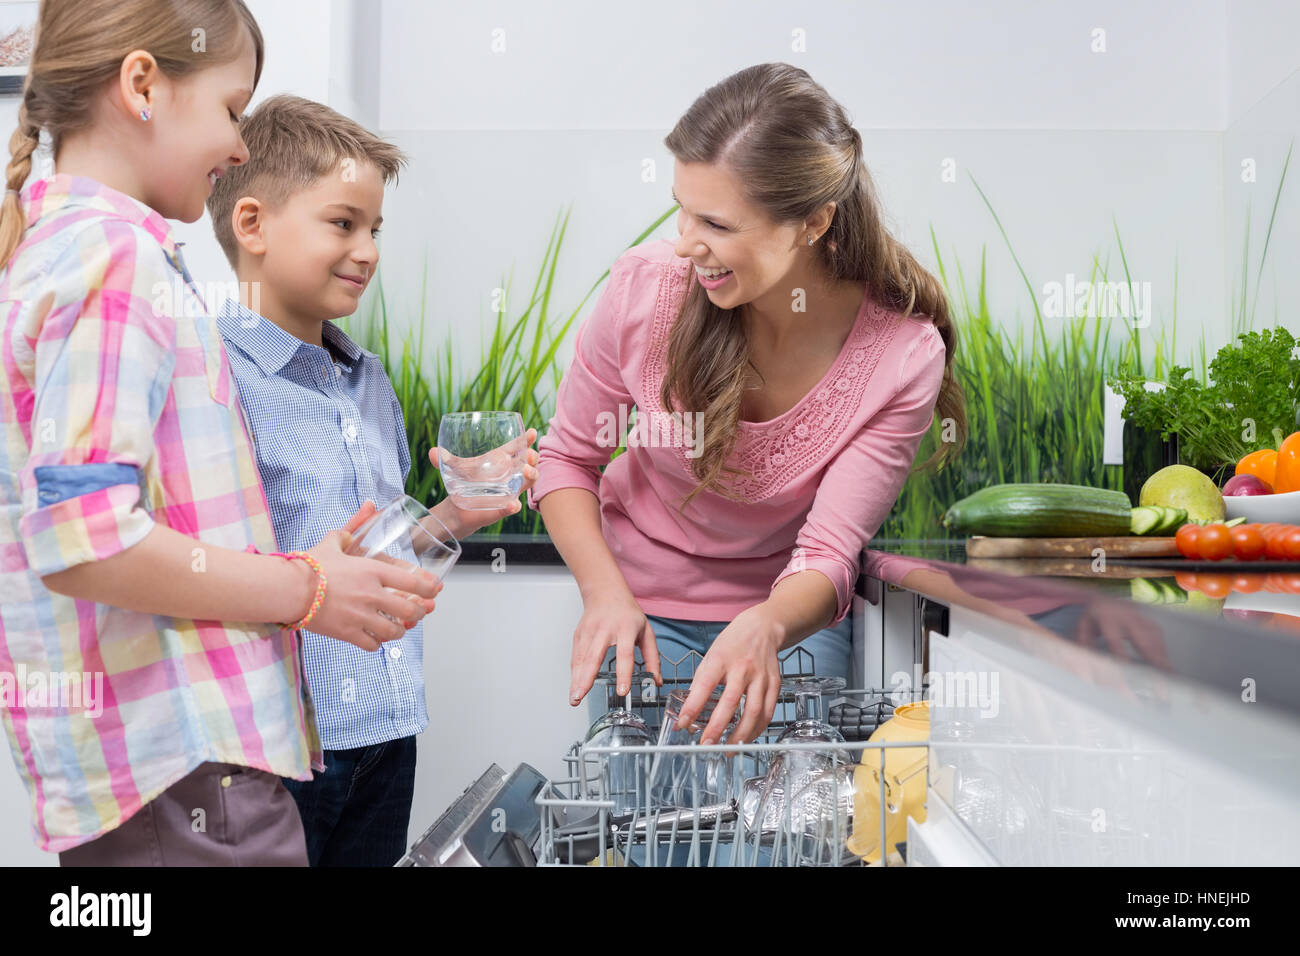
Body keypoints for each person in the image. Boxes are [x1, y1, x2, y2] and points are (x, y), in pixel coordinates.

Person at [0, 0, 438, 866]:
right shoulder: (112, 262)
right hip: (186, 770)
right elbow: (85, 541)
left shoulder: (81, 252)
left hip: (184, 770)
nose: (240, 147)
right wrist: (307, 589)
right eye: (233, 110)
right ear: (142, 87)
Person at [530, 63, 967, 746]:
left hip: (788, 624)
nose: (684, 242)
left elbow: (828, 551)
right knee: (653, 842)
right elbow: (566, 460)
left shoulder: (901, 357)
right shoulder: (645, 292)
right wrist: (605, 594)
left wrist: (765, 624)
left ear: (813, 222)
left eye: (716, 222)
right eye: (681, 208)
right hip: (642, 617)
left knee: (787, 839)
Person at [205, 94, 539, 866]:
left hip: (388, 732)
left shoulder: (368, 380)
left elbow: (376, 553)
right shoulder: (216, 380)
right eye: (342, 223)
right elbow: (212, 575)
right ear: (251, 225)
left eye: (375, 229)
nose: (368, 249)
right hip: (286, 751)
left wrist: (451, 517)